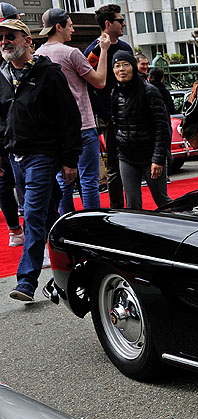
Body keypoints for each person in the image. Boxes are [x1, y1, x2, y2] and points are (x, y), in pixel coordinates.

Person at [0, 18, 82, 301]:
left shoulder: (48, 74)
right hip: (15, 158)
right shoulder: (2, 75)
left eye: (10, 36)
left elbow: (70, 119)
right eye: (1, 38)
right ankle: (78, 264)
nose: (4, 42)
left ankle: (26, 281)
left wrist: (70, 159)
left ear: (28, 41)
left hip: (42, 156)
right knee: (50, 217)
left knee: (32, 215)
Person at [35, 8, 111, 214]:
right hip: (83, 124)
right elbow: (100, 81)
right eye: (70, 25)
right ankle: (92, 227)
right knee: (88, 181)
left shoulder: (37, 55)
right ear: (58, 27)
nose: (73, 30)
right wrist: (103, 50)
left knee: (63, 181)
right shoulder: (71, 53)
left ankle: (65, 224)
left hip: (55, 129)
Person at [83, 4, 133, 208]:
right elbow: (89, 85)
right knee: (114, 166)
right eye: (119, 20)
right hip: (109, 116)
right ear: (107, 24)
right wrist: (105, 114)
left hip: (130, 113)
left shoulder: (125, 48)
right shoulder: (93, 51)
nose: (123, 24)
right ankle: (118, 208)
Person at [110, 51, 171, 210]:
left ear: (133, 68)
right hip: (127, 156)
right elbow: (116, 125)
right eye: (117, 66)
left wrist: (158, 159)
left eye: (125, 65)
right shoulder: (115, 92)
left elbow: (161, 127)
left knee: (162, 200)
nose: (121, 69)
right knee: (132, 204)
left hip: (150, 154)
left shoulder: (149, 91)